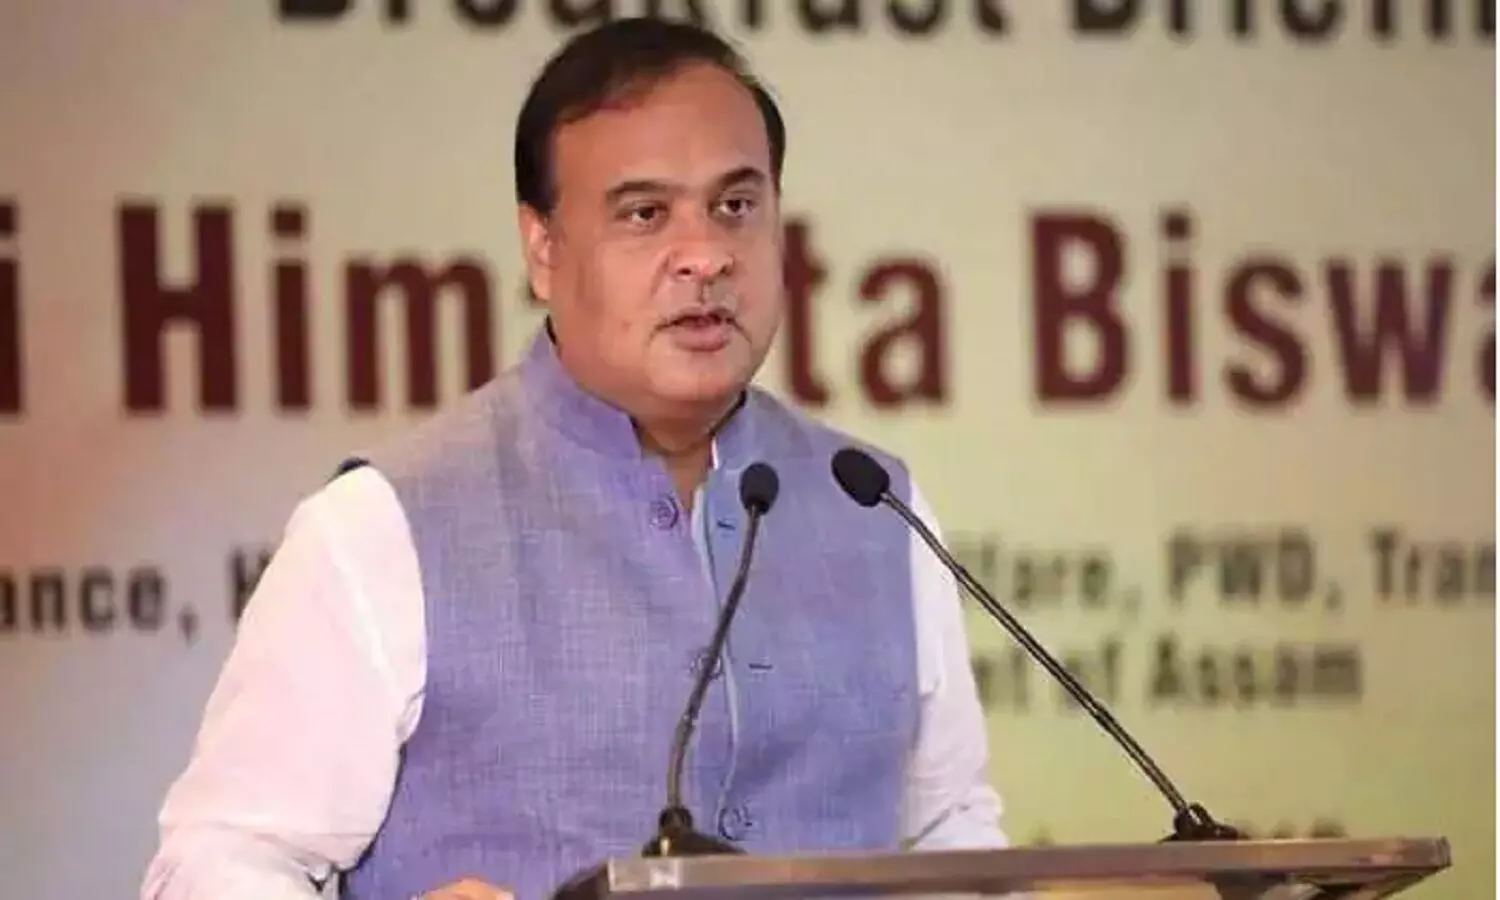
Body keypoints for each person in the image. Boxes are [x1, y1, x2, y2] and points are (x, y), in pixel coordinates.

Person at [141, 16, 1010, 900]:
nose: (706, 255)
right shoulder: (383, 527)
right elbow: (216, 864)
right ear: (543, 251)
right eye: (645, 214)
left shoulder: (875, 505)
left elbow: (953, 837)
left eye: (736, 207)